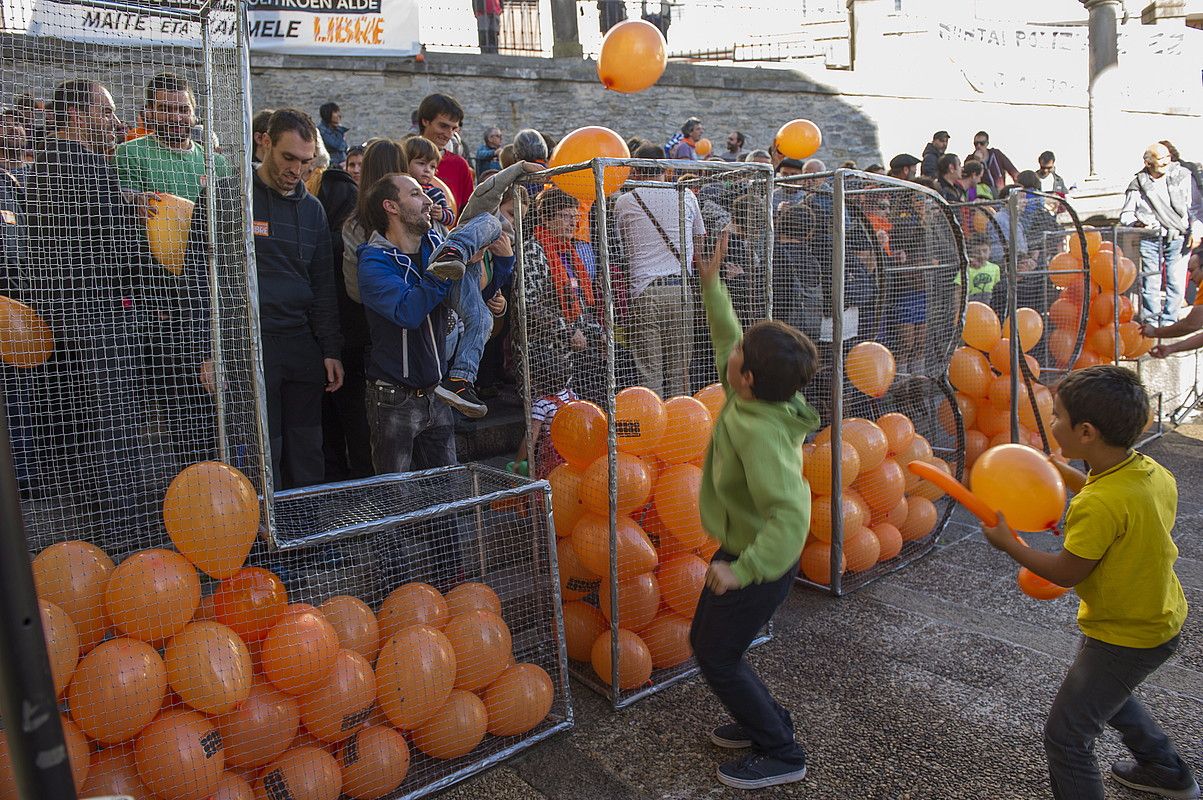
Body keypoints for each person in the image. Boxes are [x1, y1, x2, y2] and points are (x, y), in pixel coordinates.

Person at [980, 365, 1196, 800]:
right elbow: (1114, 497)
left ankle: (1165, 769)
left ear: (1086, 432)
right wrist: (1064, 472)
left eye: (1056, 416)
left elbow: (1066, 572)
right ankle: (1165, 769)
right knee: (1106, 698)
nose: (1051, 422)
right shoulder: (1150, 472)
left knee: (1066, 735)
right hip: (1154, 616)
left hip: (1125, 633)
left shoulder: (1098, 506)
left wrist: (1010, 544)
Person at [690, 227, 819, 791]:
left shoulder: (762, 434)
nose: (733, 350)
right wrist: (711, 282)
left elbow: (791, 517)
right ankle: (761, 720)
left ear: (747, 380)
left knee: (715, 653)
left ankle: (781, 750)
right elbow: (728, 336)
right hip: (745, 545)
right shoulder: (754, 390)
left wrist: (741, 570)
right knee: (716, 644)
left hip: (764, 556)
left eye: (741, 355)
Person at [24, 79, 160, 541]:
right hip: (97, 315)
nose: (115, 122)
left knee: (90, 423)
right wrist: (140, 223)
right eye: (105, 113)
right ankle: (124, 530)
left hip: (66, 313)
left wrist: (126, 203)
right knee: (115, 424)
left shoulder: (47, 165)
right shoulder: (81, 164)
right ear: (77, 117)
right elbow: (110, 241)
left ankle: (100, 526)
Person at [356, 173, 500, 474]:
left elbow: (468, 297)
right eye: (416, 194)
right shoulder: (373, 261)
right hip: (394, 399)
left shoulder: (435, 244)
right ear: (391, 207)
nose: (428, 201)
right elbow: (408, 312)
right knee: (397, 499)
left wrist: (489, 287)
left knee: (447, 495)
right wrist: (443, 270)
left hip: (437, 394)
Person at [249, 109, 343, 489]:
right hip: (250, 344)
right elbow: (201, 280)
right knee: (261, 451)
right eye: (289, 158)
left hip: (301, 345)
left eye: (306, 162)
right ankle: (261, 538)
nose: (297, 170)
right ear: (265, 142)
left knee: (307, 450)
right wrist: (208, 351)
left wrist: (331, 349)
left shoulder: (313, 209)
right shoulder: (229, 195)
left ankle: (309, 541)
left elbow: (324, 285)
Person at [614, 144, 705, 398]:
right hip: (681, 289)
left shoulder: (625, 202)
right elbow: (699, 240)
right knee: (680, 372)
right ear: (665, 167)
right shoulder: (686, 195)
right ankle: (679, 430)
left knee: (649, 373)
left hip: (645, 291)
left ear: (635, 169)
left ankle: (654, 431)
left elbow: (622, 245)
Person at [522, 187, 605, 404]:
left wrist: (598, 332)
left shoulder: (569, 252)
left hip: (575, 352)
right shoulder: (534, 250)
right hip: (547, 356)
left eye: (575, 217)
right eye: (565, 216)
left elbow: (580, 304)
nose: (573, 223)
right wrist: (568, 332)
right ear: (547, 218)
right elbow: (530, 304)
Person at [1120, 142, 1202, 327]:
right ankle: (1151, 323)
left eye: (1168, 159)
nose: (1166, 163)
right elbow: (1126, 214)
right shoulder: (1138, 183)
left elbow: (1195, 208)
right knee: (1150, 281)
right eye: (1161, 160)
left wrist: (1196, 231)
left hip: (1178, 235)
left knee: (1175, 280)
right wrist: (1136, 223)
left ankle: (1169, 322)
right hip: (1150, 237)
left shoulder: (1183, 176)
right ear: (1148, 163)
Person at [116, 73, 230, 203]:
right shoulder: (130, 153)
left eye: (184, 110)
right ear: (150, 112)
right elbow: (128, 211)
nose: (176, 118)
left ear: (194, 113)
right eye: (165, 109)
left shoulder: (216, 162)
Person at [418, 93, 474, 211]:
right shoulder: (402, 158)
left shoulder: (460, 165)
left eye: (454, 129)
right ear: (425, 121)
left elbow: (468, 213)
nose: (449, 134)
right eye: (443, 126)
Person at [404, 135, 457, 228]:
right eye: (421, 163)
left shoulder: (434, 192)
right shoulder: (400, 188)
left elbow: (451, 217)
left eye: (432, 166)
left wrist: (441, 214)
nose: (427, 170)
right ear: (406, 163)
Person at [966, 131, 1018, 195]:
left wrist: (1019, 186)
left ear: (987, 143)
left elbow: (1012, 171)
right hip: (982, 193)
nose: (978, 146)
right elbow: (969, 178)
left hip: (999, 191)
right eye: (976, 144)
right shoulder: (970, 159)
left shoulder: (996, 154)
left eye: (982, 143)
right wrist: (978, 162)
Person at [317, 102, 349, 169]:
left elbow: (345, 148)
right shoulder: (322, 131)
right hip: (331, 167)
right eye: (335, 112)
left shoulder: (336, 129)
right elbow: (336, 145)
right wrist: (341, 132)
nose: (339, 115)